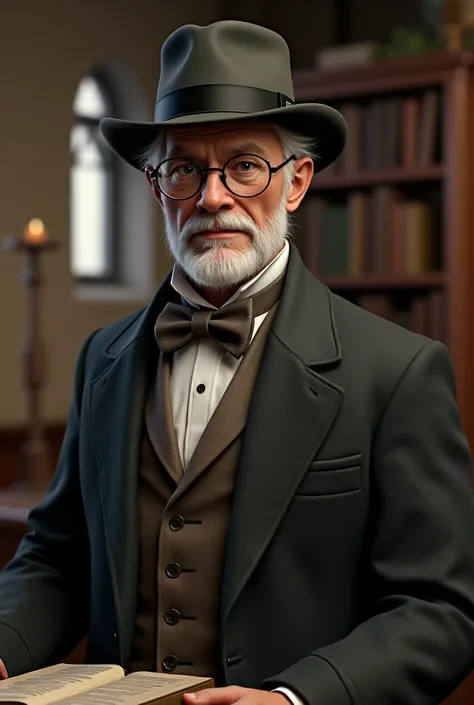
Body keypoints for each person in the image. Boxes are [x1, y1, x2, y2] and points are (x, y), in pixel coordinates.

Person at [0, 19, 474, 705]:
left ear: (297, 181)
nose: (213, 196)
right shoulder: (100, 359)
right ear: (156, 187)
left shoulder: (398, 372)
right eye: (185, 167)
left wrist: (296, 699)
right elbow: (55, 559)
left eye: (245, 165)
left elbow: (442, 608)